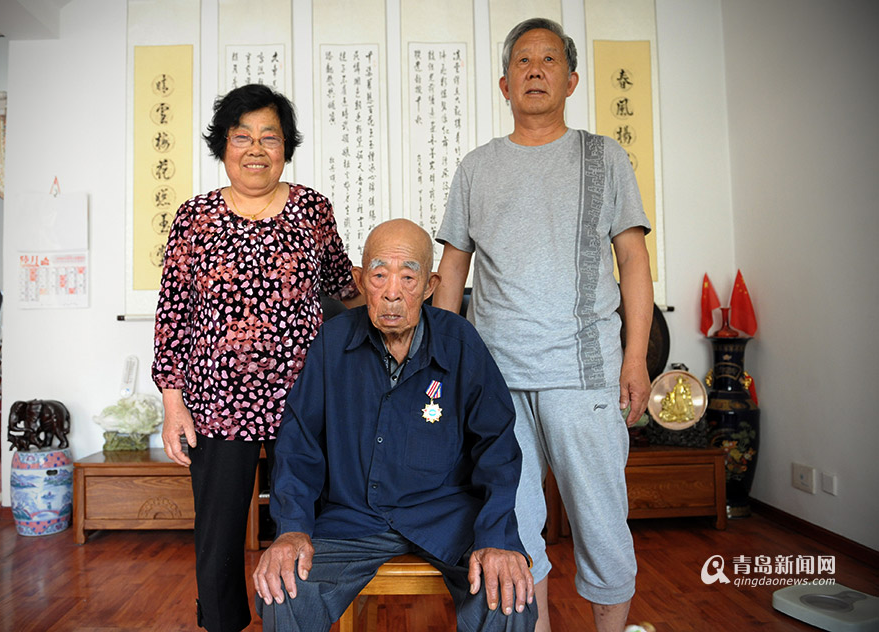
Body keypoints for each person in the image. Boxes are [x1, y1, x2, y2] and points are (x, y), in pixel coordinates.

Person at [433, 18, 654, 632]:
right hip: (495, 380)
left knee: (602, 526)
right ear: (504, 84)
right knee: (514, 529)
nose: (535, 69)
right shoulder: (476, 167)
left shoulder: (604, 156)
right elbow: (452, 271)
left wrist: (635, 358)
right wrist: (441, 366)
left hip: (584, 374)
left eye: (549, 59)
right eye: (523, 61)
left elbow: (634, 261)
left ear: (571, 79)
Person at [252, 219, 537, 632]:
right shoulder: (332, 342)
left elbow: (497, 447)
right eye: (379, 275)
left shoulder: (460, 342)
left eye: (408, 277)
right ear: (359, 280)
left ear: (430, 285)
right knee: (283, 590)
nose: (391, 292)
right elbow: (299, 445)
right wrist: (292, 529)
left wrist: (496, 537)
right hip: (352, 520)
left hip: (447, 517)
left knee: (506, 596)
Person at [152, 84, 361, 632]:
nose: (255, 149)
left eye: (270, 137)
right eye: (242, 136)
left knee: (314, 519)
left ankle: (307, 615)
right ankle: (222, 622)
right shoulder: (194, 218)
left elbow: (343, 289)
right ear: (223, 145)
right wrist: (173, 404)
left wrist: (402, 290)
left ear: (285, 147)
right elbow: (173, 315)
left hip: (306, 399)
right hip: (218, 403)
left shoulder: (312, 209)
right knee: (218, 532)